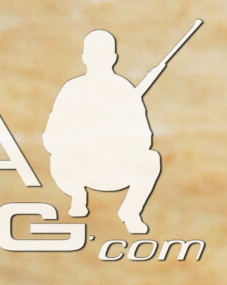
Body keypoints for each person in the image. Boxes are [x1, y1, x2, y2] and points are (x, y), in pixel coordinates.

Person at [45, 29, 166, 234]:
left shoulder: (125, 90)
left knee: (151, 159)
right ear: (85, 58)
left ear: (113, 58)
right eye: (94, 55)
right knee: (58, 159)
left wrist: (117, 138)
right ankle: (77, 197)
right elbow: (51, 136)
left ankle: (130, 212)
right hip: (78, 168)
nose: (98, 60)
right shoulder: (72, 89)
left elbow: (144, 137)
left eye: (102, 55)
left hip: (114, 168)